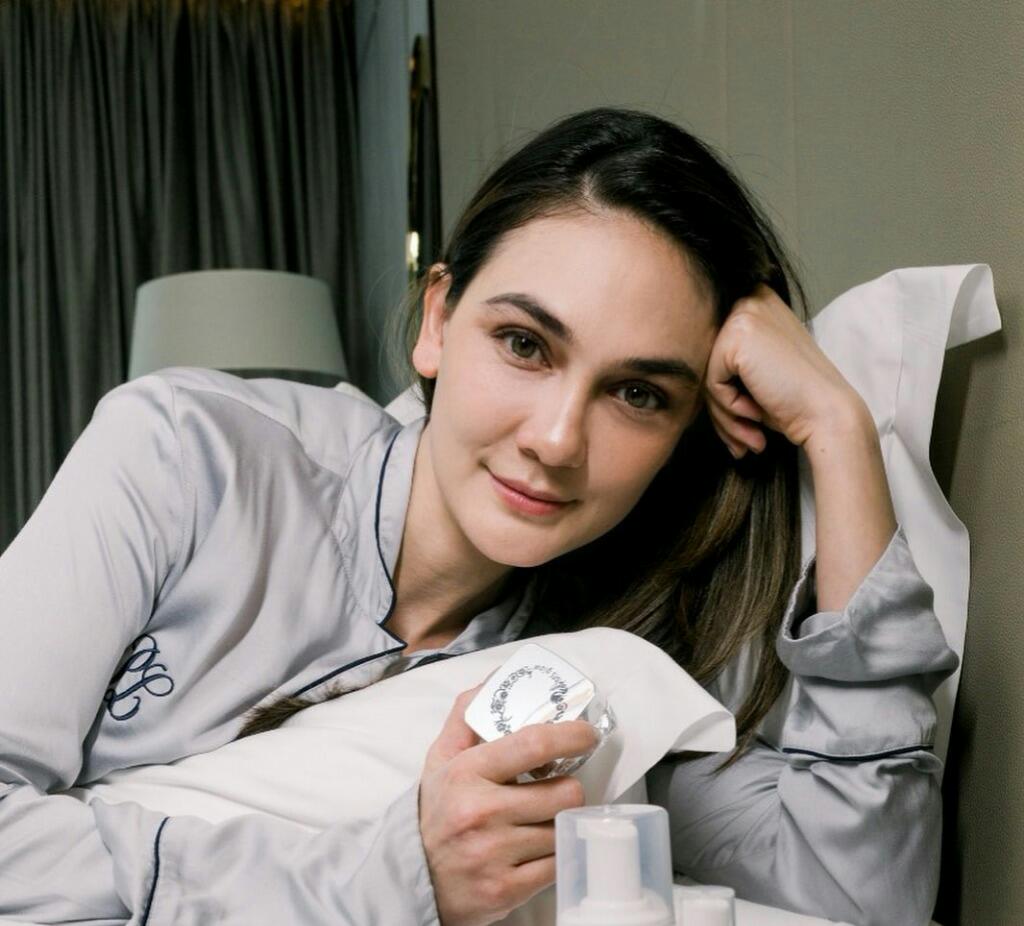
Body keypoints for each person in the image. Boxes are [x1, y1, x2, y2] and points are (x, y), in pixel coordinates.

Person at [0, 108, 956, 926]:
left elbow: (852, 900)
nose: (556, 439)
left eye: (637, 394)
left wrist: (839, 435)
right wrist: (388, 880)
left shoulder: (611, 666)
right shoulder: (189, 455)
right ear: (437, 320)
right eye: (524, 344)